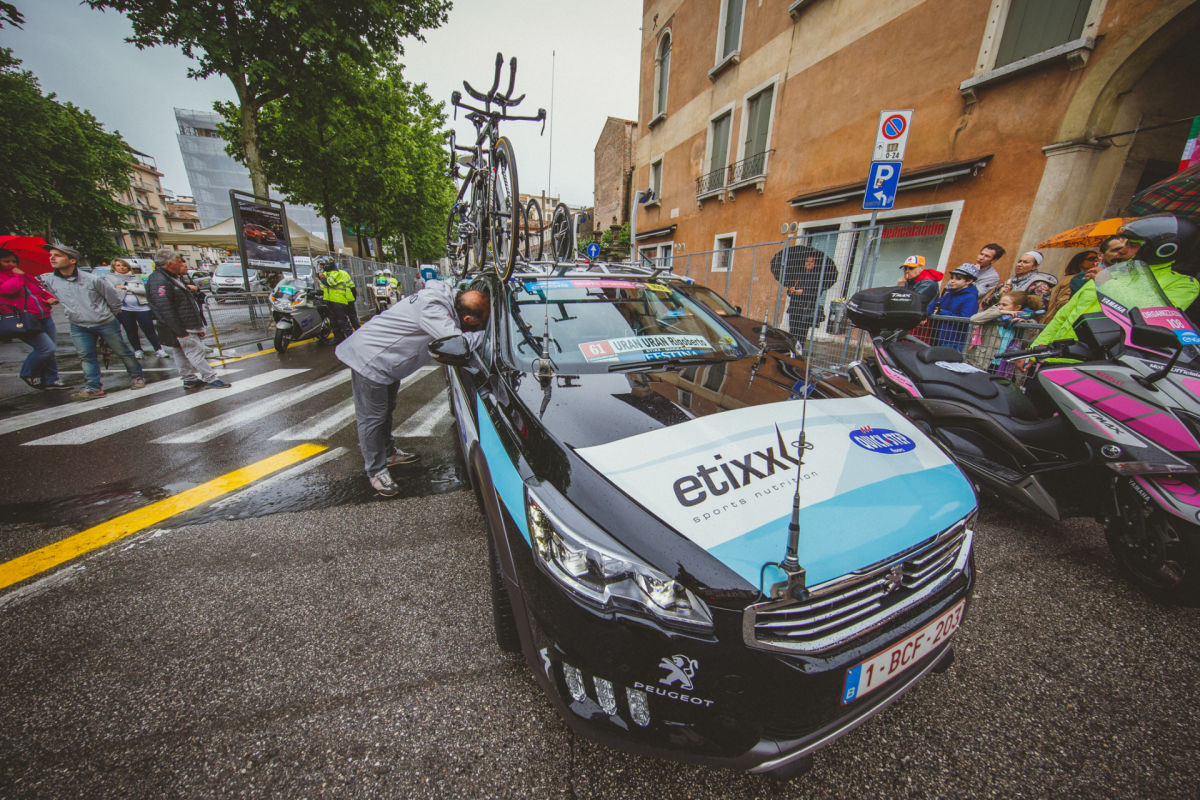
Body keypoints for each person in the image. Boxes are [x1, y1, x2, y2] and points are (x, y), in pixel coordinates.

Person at [336, 280, 490, 496]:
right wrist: (486, 335)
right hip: (371, 358)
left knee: (386, 410)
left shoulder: (450, 299)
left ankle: (388, 453)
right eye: (480, 322)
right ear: (467, 319)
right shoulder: (433, 310)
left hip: (388, 361)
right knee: (372, 418)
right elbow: (457, 342)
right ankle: (376, 471)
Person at [1033, 214, 1199, 347]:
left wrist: (1107, 282)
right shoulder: (1113, 273)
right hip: (1058, 356)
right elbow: (1064, 315)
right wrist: (1037, 349)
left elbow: (1151, 315)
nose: (1122, 251)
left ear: (1163, 250)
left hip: (1102, 364)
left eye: (1133, 245)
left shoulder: (1184, 285)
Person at [40, 242, 145, 400]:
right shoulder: (51, 281)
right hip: (78, 325)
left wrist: (107, 315)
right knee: (86, 356)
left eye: (58, 255)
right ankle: (93, 387)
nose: (52, 258)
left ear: (72, 260)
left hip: (104, 322)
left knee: (121, 351)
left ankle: (137, 376)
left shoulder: (92, 279)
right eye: (51, 255)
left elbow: (114, 299)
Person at [145, 248, 231, 390]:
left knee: (180, 352)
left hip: (182, 324)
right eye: (178, 261)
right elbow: (165, 308)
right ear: (169, 263)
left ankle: (189, 379)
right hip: (182, 325)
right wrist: (179, 330)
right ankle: (210, 378)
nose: (181, 264)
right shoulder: (160, 280)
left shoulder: (167, 277)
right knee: (195, 351)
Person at [0, 247, 67, 390]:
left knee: (50, 350)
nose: (11, 264)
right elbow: (8, 290)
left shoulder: (25, 275)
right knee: (46, 348)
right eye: (7, 261)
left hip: (44, 315)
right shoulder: (10, 276)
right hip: (25, 319)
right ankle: (28, 372)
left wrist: (49, 298)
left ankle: (52, 379)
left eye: (14, 261)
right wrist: (17, 276)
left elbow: (39, 290)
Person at [967, 289, 1041, 377]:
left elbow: (1030, 341)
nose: (1000, 307)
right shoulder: (992, 316)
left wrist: (1024, 324)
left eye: (1004, 305)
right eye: (999, 304)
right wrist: (1000, 312)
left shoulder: (1026, 322)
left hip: (1006, 366)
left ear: (1017, 308)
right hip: (984, 362)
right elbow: (974, 319)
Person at [105, 257, 168, 359]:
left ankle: (158, 349)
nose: (121, 267)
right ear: (114, 267)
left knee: (149, 330)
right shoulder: (110, 279)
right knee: (131, 331)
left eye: (123, 265)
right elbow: (113, 292)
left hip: (142, 307)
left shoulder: (136, 277)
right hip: (125, 309)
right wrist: (134, 289)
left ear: (127, 267)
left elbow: (144, 290)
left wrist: (126, 288)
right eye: (118, 265)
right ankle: (138, 350)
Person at [782, 248, 838, 346]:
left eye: (811, 262)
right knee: (792, 333)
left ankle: (799, 350)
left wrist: (803, 292)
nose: (808, 263)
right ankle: (792, 350)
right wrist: (791, 290)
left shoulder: (817, 277)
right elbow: (789, 292)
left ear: (814, 264)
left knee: (801, 334)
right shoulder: (799, 275)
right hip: (794, 308)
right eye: (807, 261)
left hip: (806, 310)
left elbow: (817, 293)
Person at [925, 263, 980, 349]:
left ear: (969, 281)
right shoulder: (950, 293)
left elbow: (965, 319)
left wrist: (941, 312)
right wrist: (925, 313)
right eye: (952, 278)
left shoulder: (970, 298)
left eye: (958, 279)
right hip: (939, 337)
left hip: (954, 341)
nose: (952, 281)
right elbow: (934, 305)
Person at [1041, 250, 1098, 324]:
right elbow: (1063, 302)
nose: (1095, 262)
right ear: (1080, 262)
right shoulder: (1074, 279)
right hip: (1058, 322)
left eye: (1097, 260)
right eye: (1091, 259)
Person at [990, 250, 1057, 306]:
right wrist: (999, 295)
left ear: (1035, 266)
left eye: (1025, 262)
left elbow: (1040, 310)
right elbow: (986, 304)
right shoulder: (1008, 283)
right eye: (1019, 261)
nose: (1019, 265)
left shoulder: (1040, 286)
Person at [315, 256, 356, 343]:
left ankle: (351, 339)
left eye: (322, 264)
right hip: (329, 301)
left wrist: (322, 278)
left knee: (342, 321)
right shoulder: (326, 274)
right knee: (333, 322)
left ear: (328, 264)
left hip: (338, 301)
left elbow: (329, 283)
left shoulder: (336, 273)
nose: (321, 267)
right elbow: (323, 288)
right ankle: (338, 338)